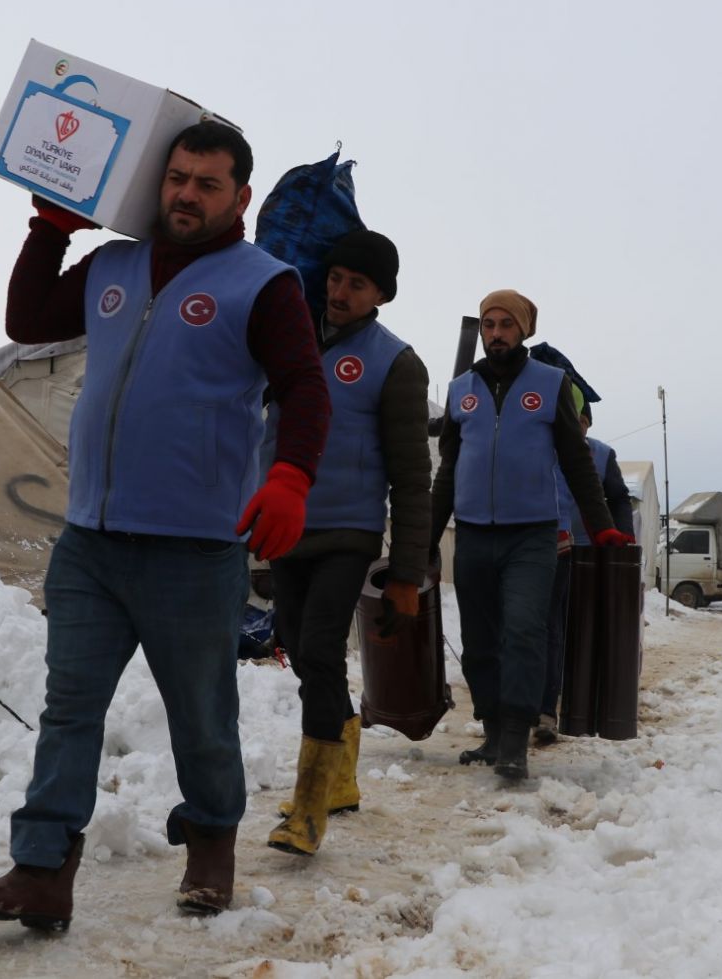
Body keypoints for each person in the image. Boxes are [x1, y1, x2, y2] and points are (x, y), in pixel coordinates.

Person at [0, 121, 330, 931]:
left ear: (240, 198)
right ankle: (42, 869)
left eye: (208, 183)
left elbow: (303, 385)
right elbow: (26, 320)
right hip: (90, 540)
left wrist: (291, 475)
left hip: (194, 549)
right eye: (178, 177)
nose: (187, 193)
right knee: (70, 707)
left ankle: (211, 842)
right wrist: (50, 229)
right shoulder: (112, 266)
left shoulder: (263, 283)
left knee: (201, 710)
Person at [261, 229, 431, 856]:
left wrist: (408, 571)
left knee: (320, 652)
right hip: (287, 527)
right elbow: (267, 436)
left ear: (381, 294)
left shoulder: (396, 363)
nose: (338, 291)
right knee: (307, 659)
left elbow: (414, 476)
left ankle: (308, 809)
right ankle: (343, 777)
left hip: (348, 530)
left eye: (356, 284)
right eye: (334, 278)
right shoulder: (293, 343)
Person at [429, 290, 633, 780]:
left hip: (533, 536)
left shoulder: (550, 383)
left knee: (523, 629)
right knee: (479, 639)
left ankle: (516, 737)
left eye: (505, 324)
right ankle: (493, 730)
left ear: (524, 330)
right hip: (475, 533)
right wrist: (426, 540)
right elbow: (449, 472)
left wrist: (602, 524)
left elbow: (576, 462)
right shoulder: (463, 390)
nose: (495, 333)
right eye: (488, 324)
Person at [535, 397, 635, 746]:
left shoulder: (602, 455)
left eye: (578, 420)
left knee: (582, 629)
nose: (571, 425)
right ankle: (546, 704)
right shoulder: (543, 449)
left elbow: (619, 498)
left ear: (587, 424)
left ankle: (581, 697)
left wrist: (625, 539)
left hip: (592, 556)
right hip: (549, 550)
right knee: (553, 626)